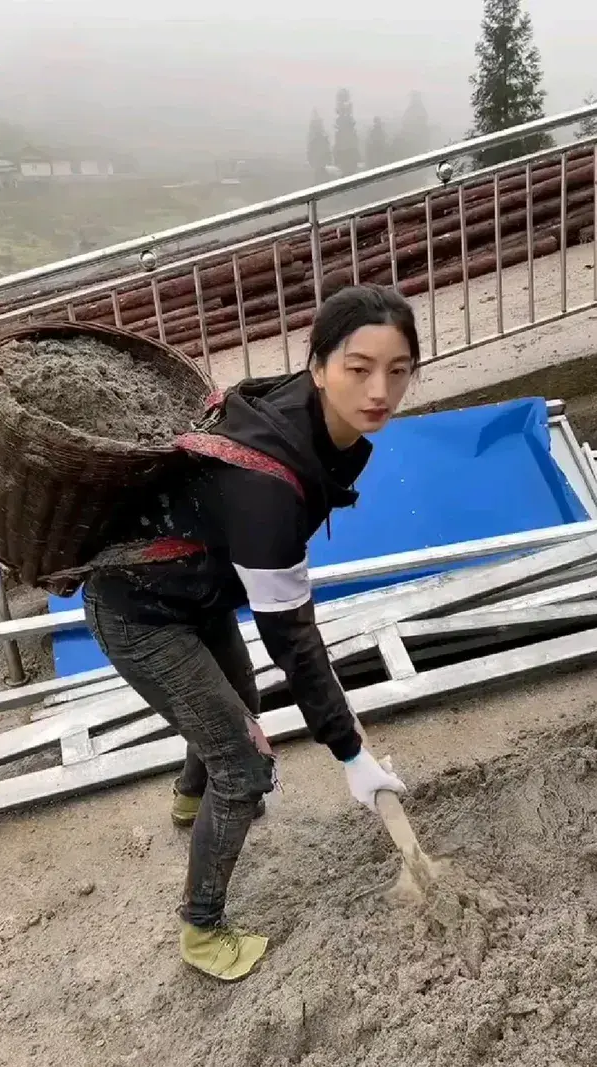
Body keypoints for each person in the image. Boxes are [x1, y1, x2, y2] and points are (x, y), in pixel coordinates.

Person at [82, 283, 420, 981]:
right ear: (319, 364)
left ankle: (188, 799)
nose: (379, 389)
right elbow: (291, 637)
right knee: (245, 763)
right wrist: (351, 752)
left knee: (239, 706)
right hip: (140, 611)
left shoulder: (322, 422)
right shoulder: (269, 483)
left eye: (398, 369)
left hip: (193, 590)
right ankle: (202, 930)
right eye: (359, 368)